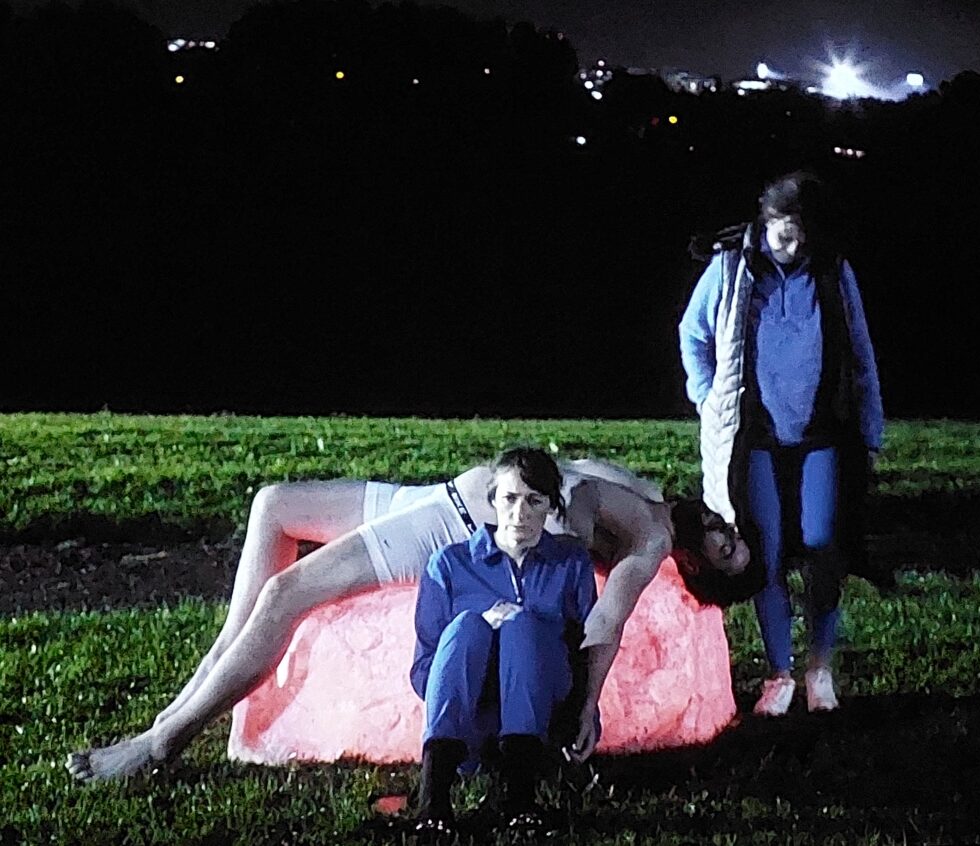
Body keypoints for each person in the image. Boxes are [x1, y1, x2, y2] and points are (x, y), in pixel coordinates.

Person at [66, 452, 748, 783]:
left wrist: (587, 703)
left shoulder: (651, 544)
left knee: (284, 597)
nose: (723, 529)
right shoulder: (658, 498)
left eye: (727, 550)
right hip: (439, 493)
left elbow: (608, 618)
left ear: (697, 568)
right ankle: (214, 669)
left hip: (449, 527)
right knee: (274, 503)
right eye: (732, 531)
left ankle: (160, 746)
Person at [679, 170, 884, 717]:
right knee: (764, 553)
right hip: (757, 437)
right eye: (783, 234)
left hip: (821, 432)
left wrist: (870, 425)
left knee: (822, 544)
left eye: (802, 236)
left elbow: (860, 351)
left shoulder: (833, 273)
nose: (792, 247)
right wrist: (707, 396)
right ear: (764, 224)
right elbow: (692, 335)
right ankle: (779, 674)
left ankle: (820, 668)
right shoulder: (729, 267)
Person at [410, 447, 600, 836]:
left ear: (550, 506)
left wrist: (588, 714)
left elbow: (584, 652)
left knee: (523, 626)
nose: (521, 513)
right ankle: (434, 799)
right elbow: (423, 668)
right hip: (471, 720)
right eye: (510, 499)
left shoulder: (570, 562)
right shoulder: (450, 564)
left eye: (535, 501)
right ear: (493, 499)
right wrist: (482, 625)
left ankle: (521, 798)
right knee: (467, 626)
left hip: (541, 720)